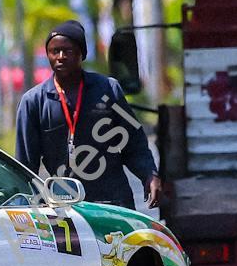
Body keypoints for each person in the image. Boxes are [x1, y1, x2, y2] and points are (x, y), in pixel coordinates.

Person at [14, 21, 160, 210]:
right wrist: (28, 206)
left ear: (81, 53)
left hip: (114, 202)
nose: (60, 57)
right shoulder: (33, 101)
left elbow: (133, 141)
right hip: (63, 206)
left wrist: (149, 174)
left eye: (67, 51)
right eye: (54, 51)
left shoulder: (109, 89)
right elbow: (26, 163)